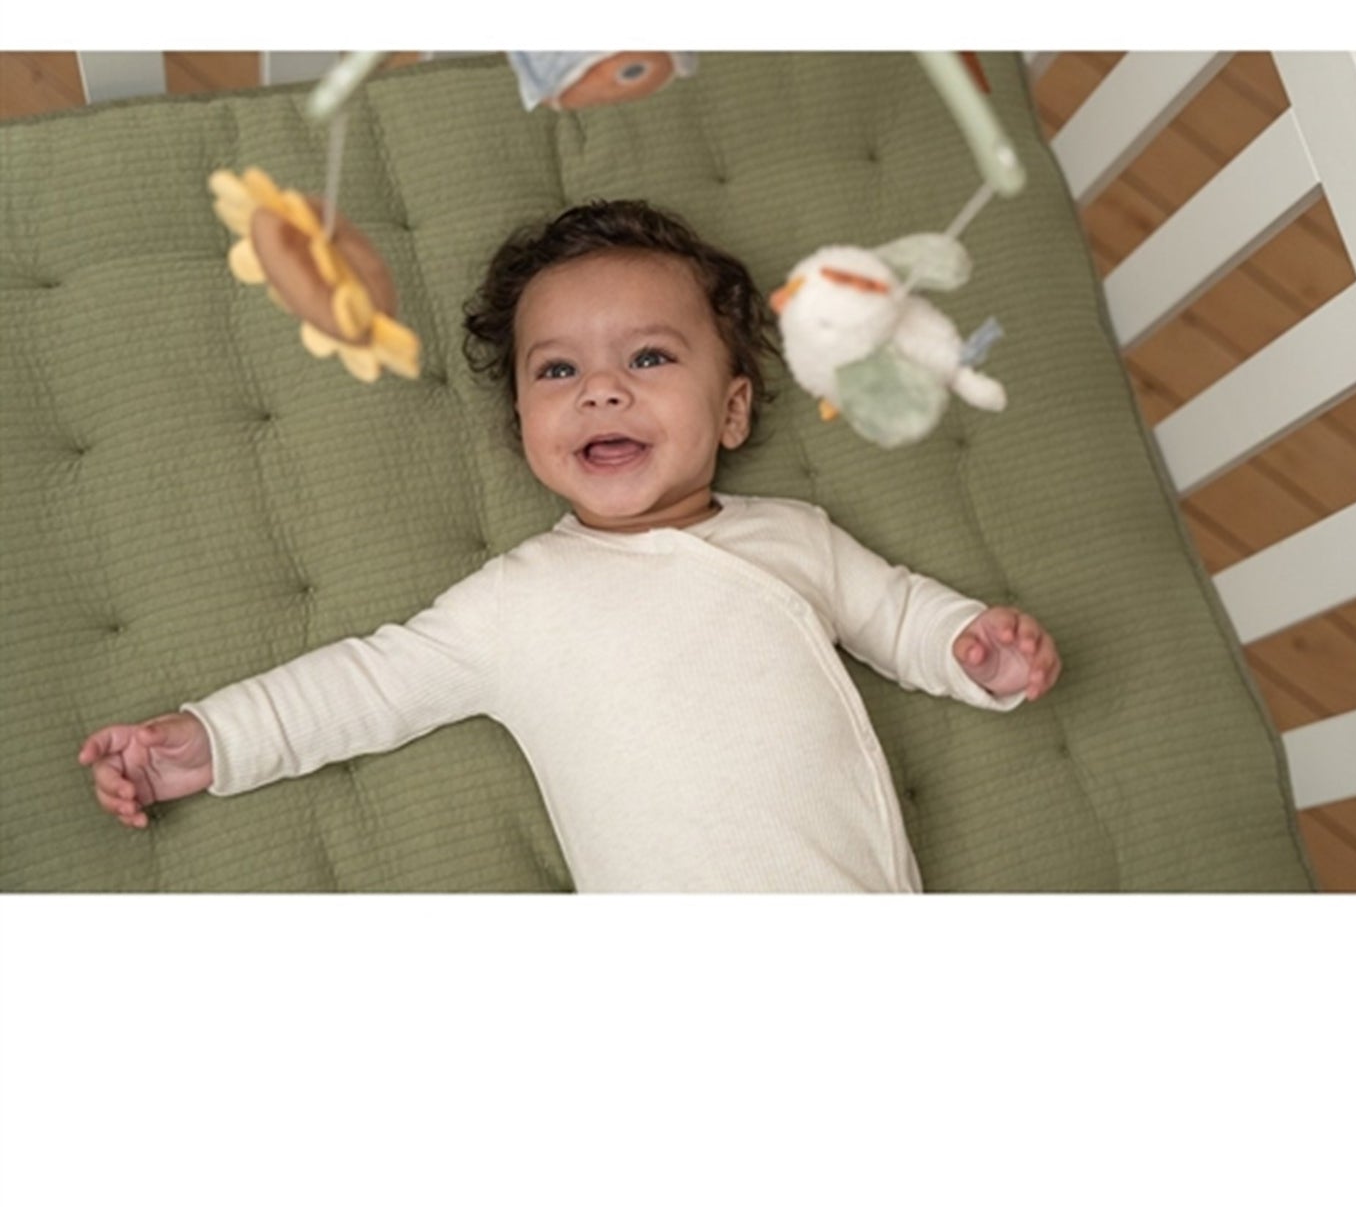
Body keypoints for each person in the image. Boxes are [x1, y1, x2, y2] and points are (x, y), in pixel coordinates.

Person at [78, 200, 1062, 891]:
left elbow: (898, 613)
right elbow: (365, 686)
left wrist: (972, 648)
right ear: (523, 428)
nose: (601, 389)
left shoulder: (794, 538)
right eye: (557, 371)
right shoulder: (517, 601)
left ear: (731, 411)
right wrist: (209, 741)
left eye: (648, 357)